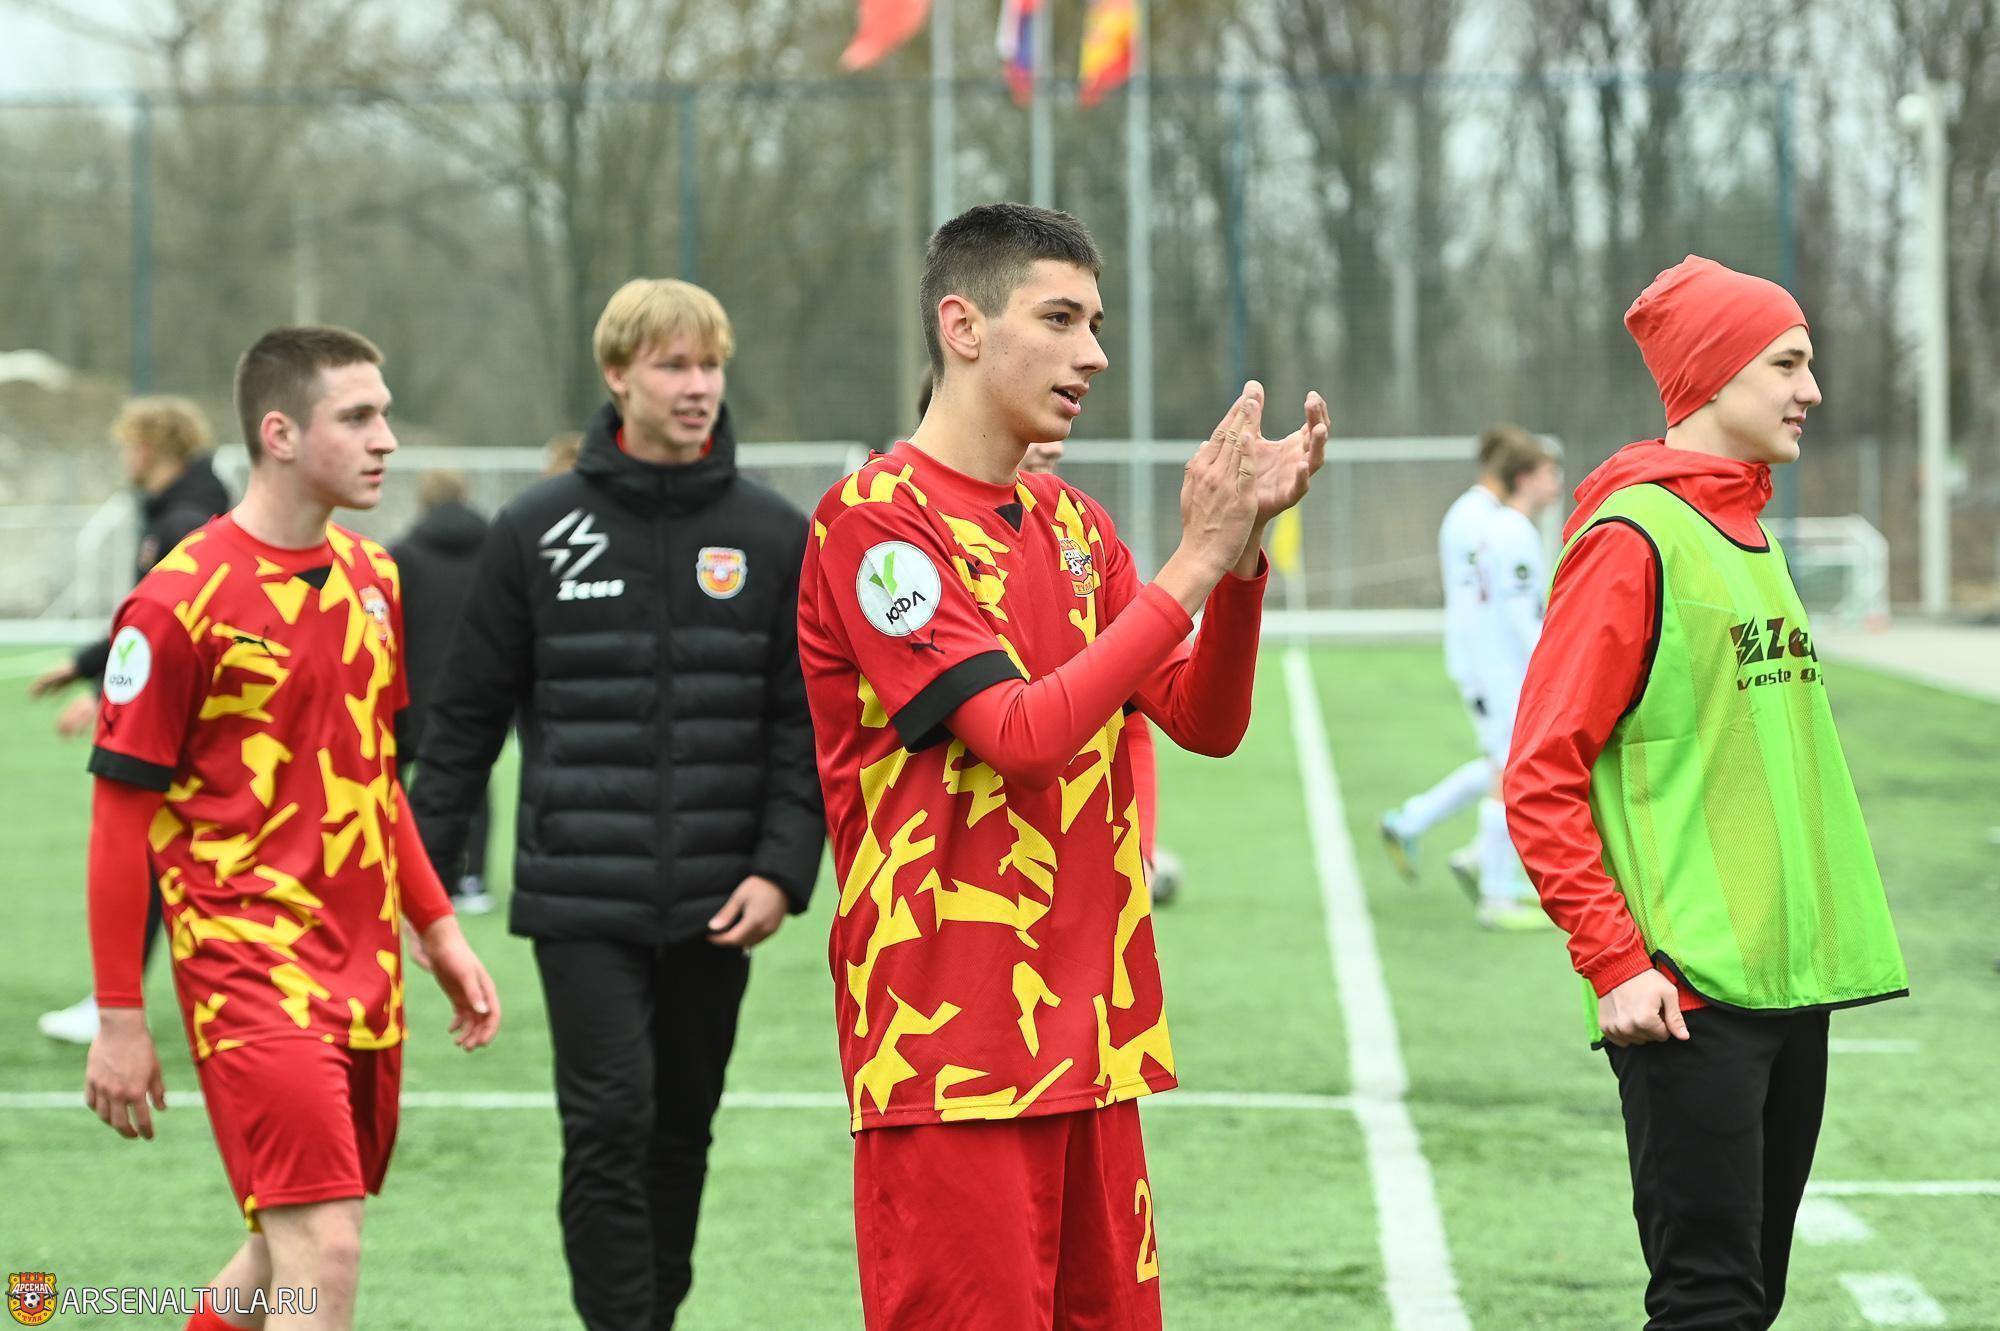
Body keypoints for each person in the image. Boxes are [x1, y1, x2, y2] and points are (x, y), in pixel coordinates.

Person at [799, 202, 1325, 1329]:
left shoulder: (1075, 524)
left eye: (1095, 323)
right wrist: (1190, 560)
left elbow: (1203, 718)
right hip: (949, 1051)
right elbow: (1022, 737)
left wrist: (1237, 563)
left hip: (1093, 1039)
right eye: (1059, 319)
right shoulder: (874, 521)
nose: (1093, 354)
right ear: (963, 326)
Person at [410, 278, 824, 1331]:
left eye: (709, 364)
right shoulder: (537, 529)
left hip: (720, 898)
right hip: (579, 898)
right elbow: (464, 720)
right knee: (607, 1123)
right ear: (616, 375)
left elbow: (803, 724)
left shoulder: (776, 532)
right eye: (672, 364)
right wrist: (420, 884)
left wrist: (781, 868)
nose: (697, 385)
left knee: (680, 1132)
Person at [1505, 256, 1909, 1329]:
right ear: (1713, 374)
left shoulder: (1754, 535)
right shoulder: (1630, 538)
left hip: (1790, 984)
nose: (1810, 389)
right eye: (1785, 363)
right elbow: (1540, 773)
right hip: (1684, 996)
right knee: (1707, 1301)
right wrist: (1613, 960)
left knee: (1748, 1297)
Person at [80, 325, 500, 1331]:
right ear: (279, 433)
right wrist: (120, 1014)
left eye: (384, 414)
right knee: (327, 1245)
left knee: (284, 1248)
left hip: (365, 964)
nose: (386, 438)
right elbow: (117, 822)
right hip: (248, 966)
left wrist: (437, 927)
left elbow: (372, 776)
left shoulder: (374, 578)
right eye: (357, 417)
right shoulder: (176, 603)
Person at [32, 397, 234, 1045]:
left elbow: (159, 628)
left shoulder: (182, 522)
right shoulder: (187, 509)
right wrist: (92, 675)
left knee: (156, 851)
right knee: (178, 854)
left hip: (186, 717)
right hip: (196, 710)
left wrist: (103, 686)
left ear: (149, 447)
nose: (124, 456)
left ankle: (116, 1003)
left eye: (128, 444)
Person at [1378, 426, 1515, 896]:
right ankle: (1481, 866)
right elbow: (1483, 595)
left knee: (1507, 759)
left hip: (1483, 655)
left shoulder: (1478, 514)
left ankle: (1423, 827)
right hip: (1483, 659)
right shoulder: (1477, 517)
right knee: (1508, 762)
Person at [1464, 431, 1564, 930]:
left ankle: (1502, 883)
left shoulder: (1500, 527)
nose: (1557, 482)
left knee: (1504, 774)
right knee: (1505, 778)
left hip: (1497, 668)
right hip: (1508, 673)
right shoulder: (1514, 532)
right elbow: (1522, 616)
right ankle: (1495, 893)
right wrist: (1552, 666)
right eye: (1548, 473)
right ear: (1524, 478)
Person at [389, 470, 495, 914]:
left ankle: (406, 874)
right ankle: (473, 879)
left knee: (396, 784)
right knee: (475, 783)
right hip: (476, 689)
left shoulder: (401, 556)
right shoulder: (494, 551)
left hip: (412, 691)